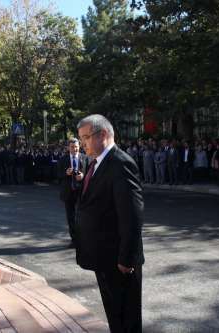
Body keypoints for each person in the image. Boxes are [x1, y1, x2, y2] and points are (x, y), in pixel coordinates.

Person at [76, 114, 144, 333]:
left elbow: (132, 215)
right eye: (81, 138)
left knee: (127, 320)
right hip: (104, 257)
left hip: (119, 261)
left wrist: (126, 258)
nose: (82, 143)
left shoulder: (120, 163)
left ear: (103, 134)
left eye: (86, 137)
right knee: (115, 317)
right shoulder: (96, 163)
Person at [58, 138, 87, 248]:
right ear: (68, 148)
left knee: (82, 217)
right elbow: (58, 175)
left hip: (81, 192)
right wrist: (66, 173)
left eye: (76, 147)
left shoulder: (85, 158)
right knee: (71, 217)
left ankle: (83, 238)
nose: (74, 149)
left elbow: (90, 173)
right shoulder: (63, 160)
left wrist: (83, 176)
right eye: (72, 147)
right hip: (68, 193)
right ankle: (74, 240)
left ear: (79, 147)